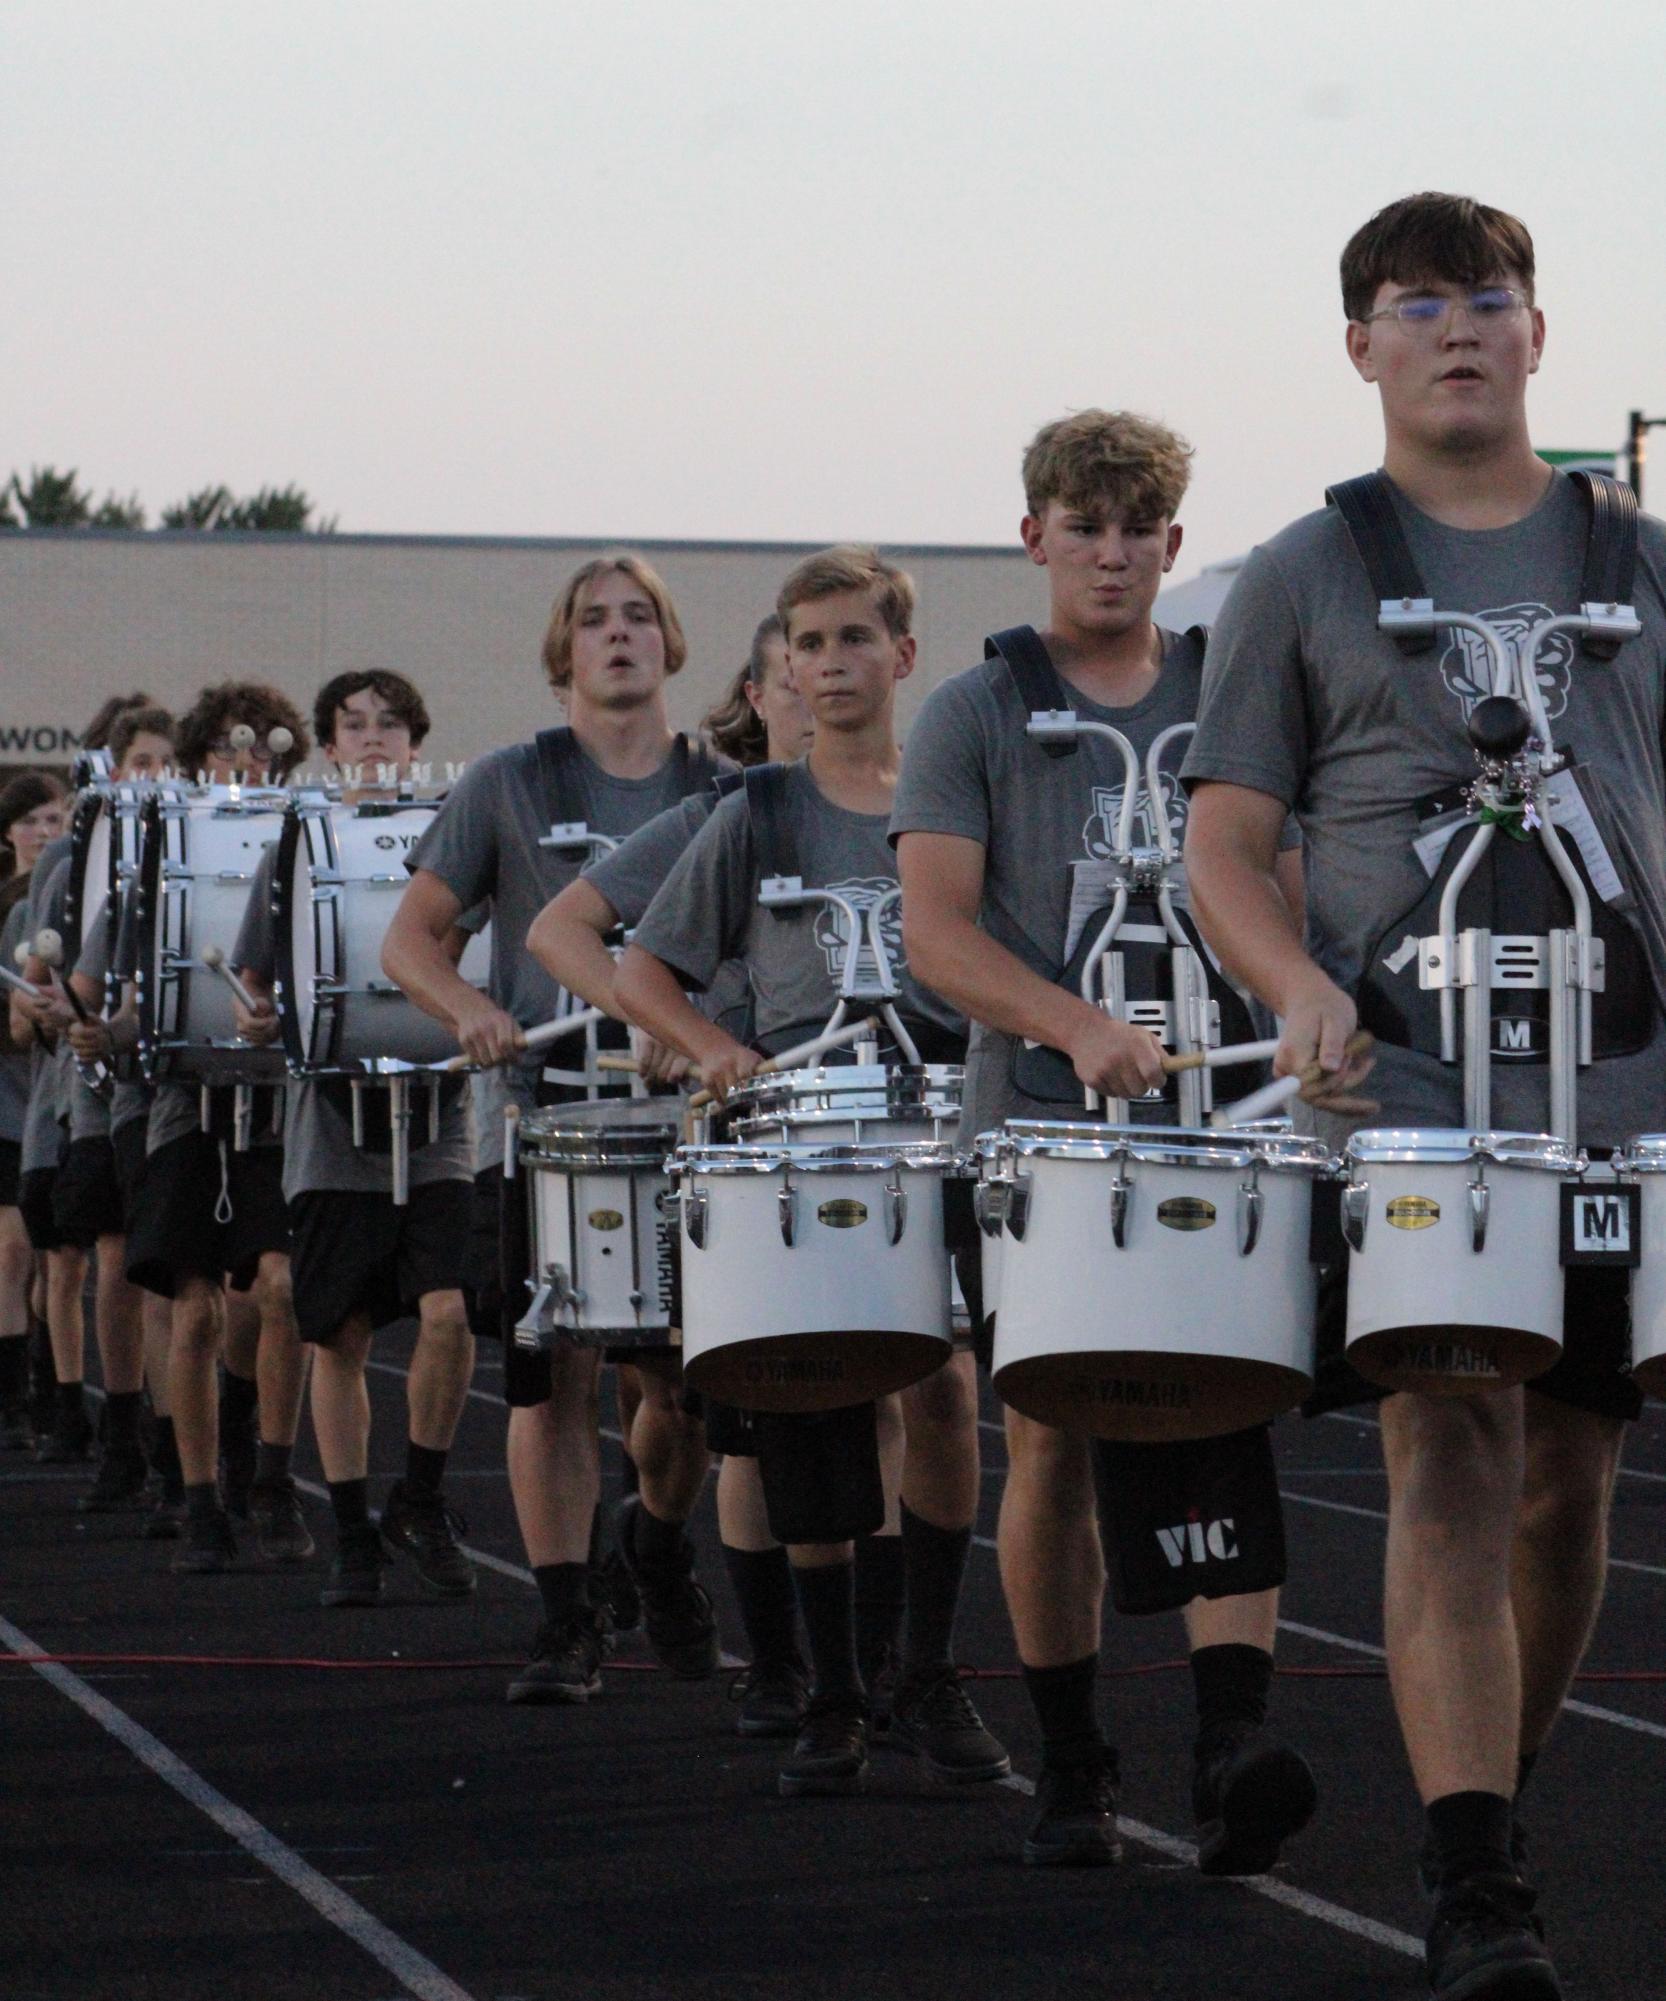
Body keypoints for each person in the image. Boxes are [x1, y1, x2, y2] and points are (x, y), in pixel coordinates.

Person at [1182, 192, 1666, 2001]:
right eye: (1414, 304)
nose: (1455, 327)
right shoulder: (1308, 568)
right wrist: (1293, 982)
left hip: (1629, 1085)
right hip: (1409, 1096)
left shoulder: (1645, 553)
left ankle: (1495, 1787)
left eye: (1488, 297)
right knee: (1449, 1444)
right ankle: (1477, 1882)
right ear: (1361, 348)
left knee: (1573, 1477)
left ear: (1538, 332)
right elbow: (1224, 844)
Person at [893, 410, 1319, 1875]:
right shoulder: (973, 710)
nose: (1113, 552)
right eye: (1084, 526)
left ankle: (1227, 1746)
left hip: (1223, 1127)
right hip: (1041, 1136)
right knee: (1055, 1444)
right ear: (1034, 537)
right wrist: (1070, 1024)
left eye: (1139, 529)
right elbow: (935, 933)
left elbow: (1291, 896)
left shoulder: (1237, 696)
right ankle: (1073, 1763)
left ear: (1172, 547)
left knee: (1227, 1408)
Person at [617, 545, 1007, 1797]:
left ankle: (925, 1669)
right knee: (820, 1411)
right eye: (808, 643)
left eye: (854, 640)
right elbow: (639, 971)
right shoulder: (758, 813)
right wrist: (713, 1050)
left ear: (903, 657)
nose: (830, 663)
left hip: (941, 1126)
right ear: (782, 665)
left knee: (946, 1394)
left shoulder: (959, 801)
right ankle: (833, 1688)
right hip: (801, 1139)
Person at [383, 552, 731, 1702]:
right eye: (594, 620)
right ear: (562, 652)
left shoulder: (729, 787)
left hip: (686, 1127)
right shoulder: (505, 782)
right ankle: (567, 1618)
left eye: (640, 617)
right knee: (552, 1376)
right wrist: (472, 1010)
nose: (618, 635)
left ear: (672, 644)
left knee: (681, 1394)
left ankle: (657, 1540)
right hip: (542, 1121)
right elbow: (407, 942)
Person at [529, 614, 823, 1736]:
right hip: (728, 1146)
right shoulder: (721, 816)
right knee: (694, 1405)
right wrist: (665, 1019)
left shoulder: (913, 820)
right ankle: (727, 1608)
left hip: (858, 1147)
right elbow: (564, 933)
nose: (818, 695)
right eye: (793, 679)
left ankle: (851, 1660)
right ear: (756, 694)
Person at [228, 670, 478, 1606]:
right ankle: (351, 1533)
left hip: (442, 1115)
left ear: (416, 742)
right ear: (328, 745)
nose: (372, 739)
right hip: (331, 1123)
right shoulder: (297, 842)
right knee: (339, 1335)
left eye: (390, 725)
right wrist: (259, 1017)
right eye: (353, 725)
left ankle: (418, 1495)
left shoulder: (454, 837)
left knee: (449, 1313)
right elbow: (255, 978)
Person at [122, 681, 313, 1573]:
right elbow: (120, 990)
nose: (250, 766)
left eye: (268, 752)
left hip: (279, 1106)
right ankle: (198, 1497)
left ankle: (269, 1476)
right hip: (184, 1100)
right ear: (200, 761)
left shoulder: (305, 847)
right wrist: (109, 1023)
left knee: (278, 1288)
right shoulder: (159, 853)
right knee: (192, 1308)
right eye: (231, 751)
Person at [64, 707, 184, 1529]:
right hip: (103, 1090)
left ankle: (177, 1442)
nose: (155, 776)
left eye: (167, 763)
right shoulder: (88, 857)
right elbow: (74, 979)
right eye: (140, 761)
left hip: (167, 1086)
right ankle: (121, 1431)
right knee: (115, 1262)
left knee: (170, 1278)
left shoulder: (184, 858)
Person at [0, 772, 69, 1448]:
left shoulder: (68, 894)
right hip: (8, 1087)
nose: (43, 832)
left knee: (57, 1259)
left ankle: (53, 1386)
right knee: (13, 1249)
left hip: (48, 1090)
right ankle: (17, 1391)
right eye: (31, 820)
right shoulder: (13, 909)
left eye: (55, 818)